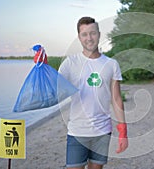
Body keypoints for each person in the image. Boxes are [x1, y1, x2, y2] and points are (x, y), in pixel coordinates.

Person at [58, 16, 128, 169]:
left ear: (99, 34)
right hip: (77, 131)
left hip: (102, 132)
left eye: (93, 33)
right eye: (84, 34)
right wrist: (42, 66)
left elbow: (116, 99)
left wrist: (123, 131)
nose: (89, 38)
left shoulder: (111, 64)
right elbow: (53, 88)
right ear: (79, 37)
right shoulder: (70, 63)